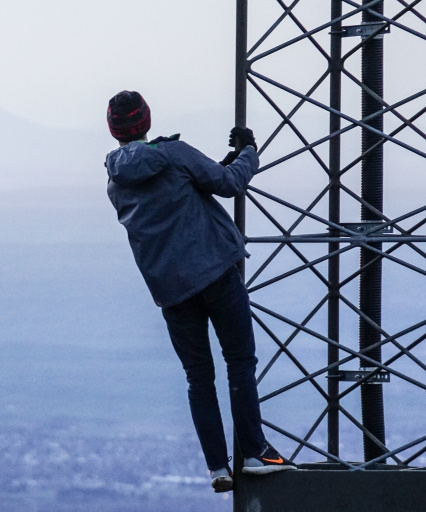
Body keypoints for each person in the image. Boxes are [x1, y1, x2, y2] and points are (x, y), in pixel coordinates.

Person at [103, 90, 296, 493]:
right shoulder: (173, 153)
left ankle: (217, 467)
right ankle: (255, 453)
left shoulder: (115, 181)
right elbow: (228, 185)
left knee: (198, 376)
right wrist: (249, 152)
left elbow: (174, 197)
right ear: (147, 120)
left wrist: (214, 166)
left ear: (114, 130)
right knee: (239, 361)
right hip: (216, 273)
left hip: (171, 291)